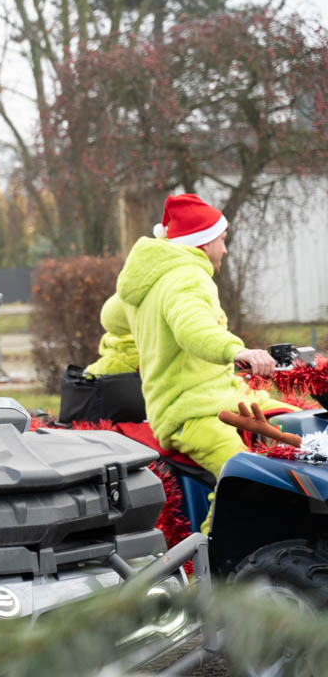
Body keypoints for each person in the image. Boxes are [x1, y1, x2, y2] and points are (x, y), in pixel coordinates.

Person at [116, 193, 298, 530]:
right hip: (193, 412)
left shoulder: (150, 279)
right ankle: (213, 571)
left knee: (294, 421)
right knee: (242, 476)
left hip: (204, 400)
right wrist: (238, 351)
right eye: (222, 241)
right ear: (202, 243)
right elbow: (193, 329)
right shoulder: (187, 277)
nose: (225, 251)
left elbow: (112, 316)